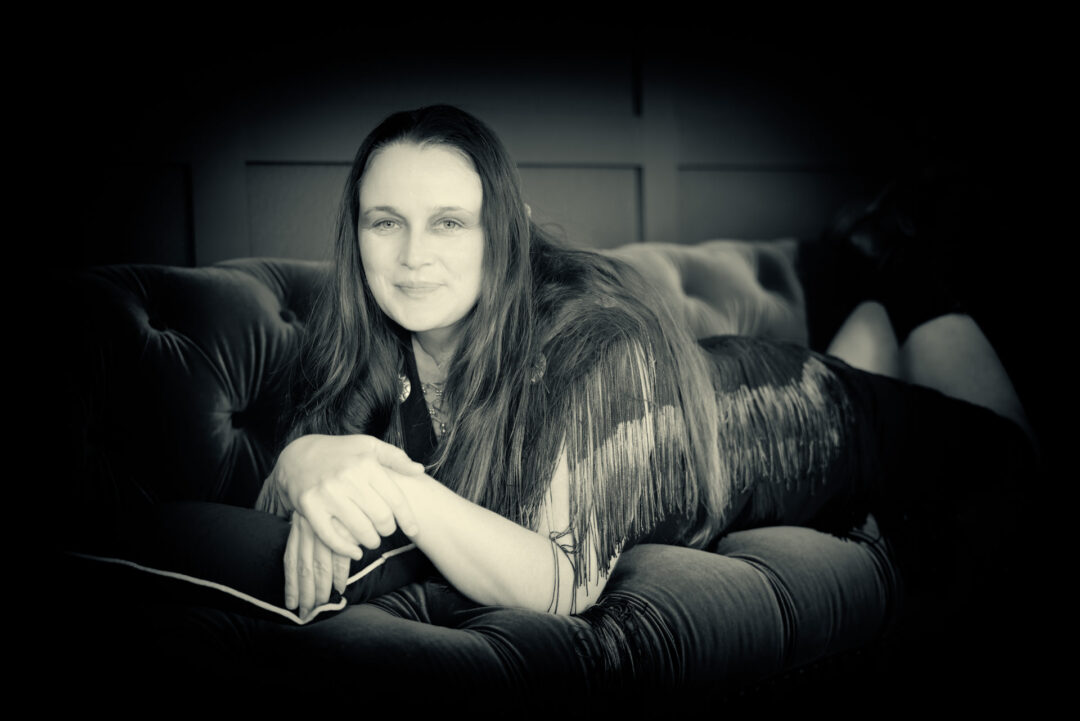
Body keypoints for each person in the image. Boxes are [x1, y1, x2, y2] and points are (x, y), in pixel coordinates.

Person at [252, 104, 1037, 624]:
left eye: (449, 222)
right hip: (726, 396)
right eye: (385, 222)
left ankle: (906, 261)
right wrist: (303, 459)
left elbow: (562, 582)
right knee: (866, 346)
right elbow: (279, 505)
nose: (413, 256)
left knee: (1007, 458)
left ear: (507, 232)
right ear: (356, 232)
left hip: (812, 415)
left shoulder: (598, 337)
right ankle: (874, 301)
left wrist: (394, 485)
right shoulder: (365, 334)